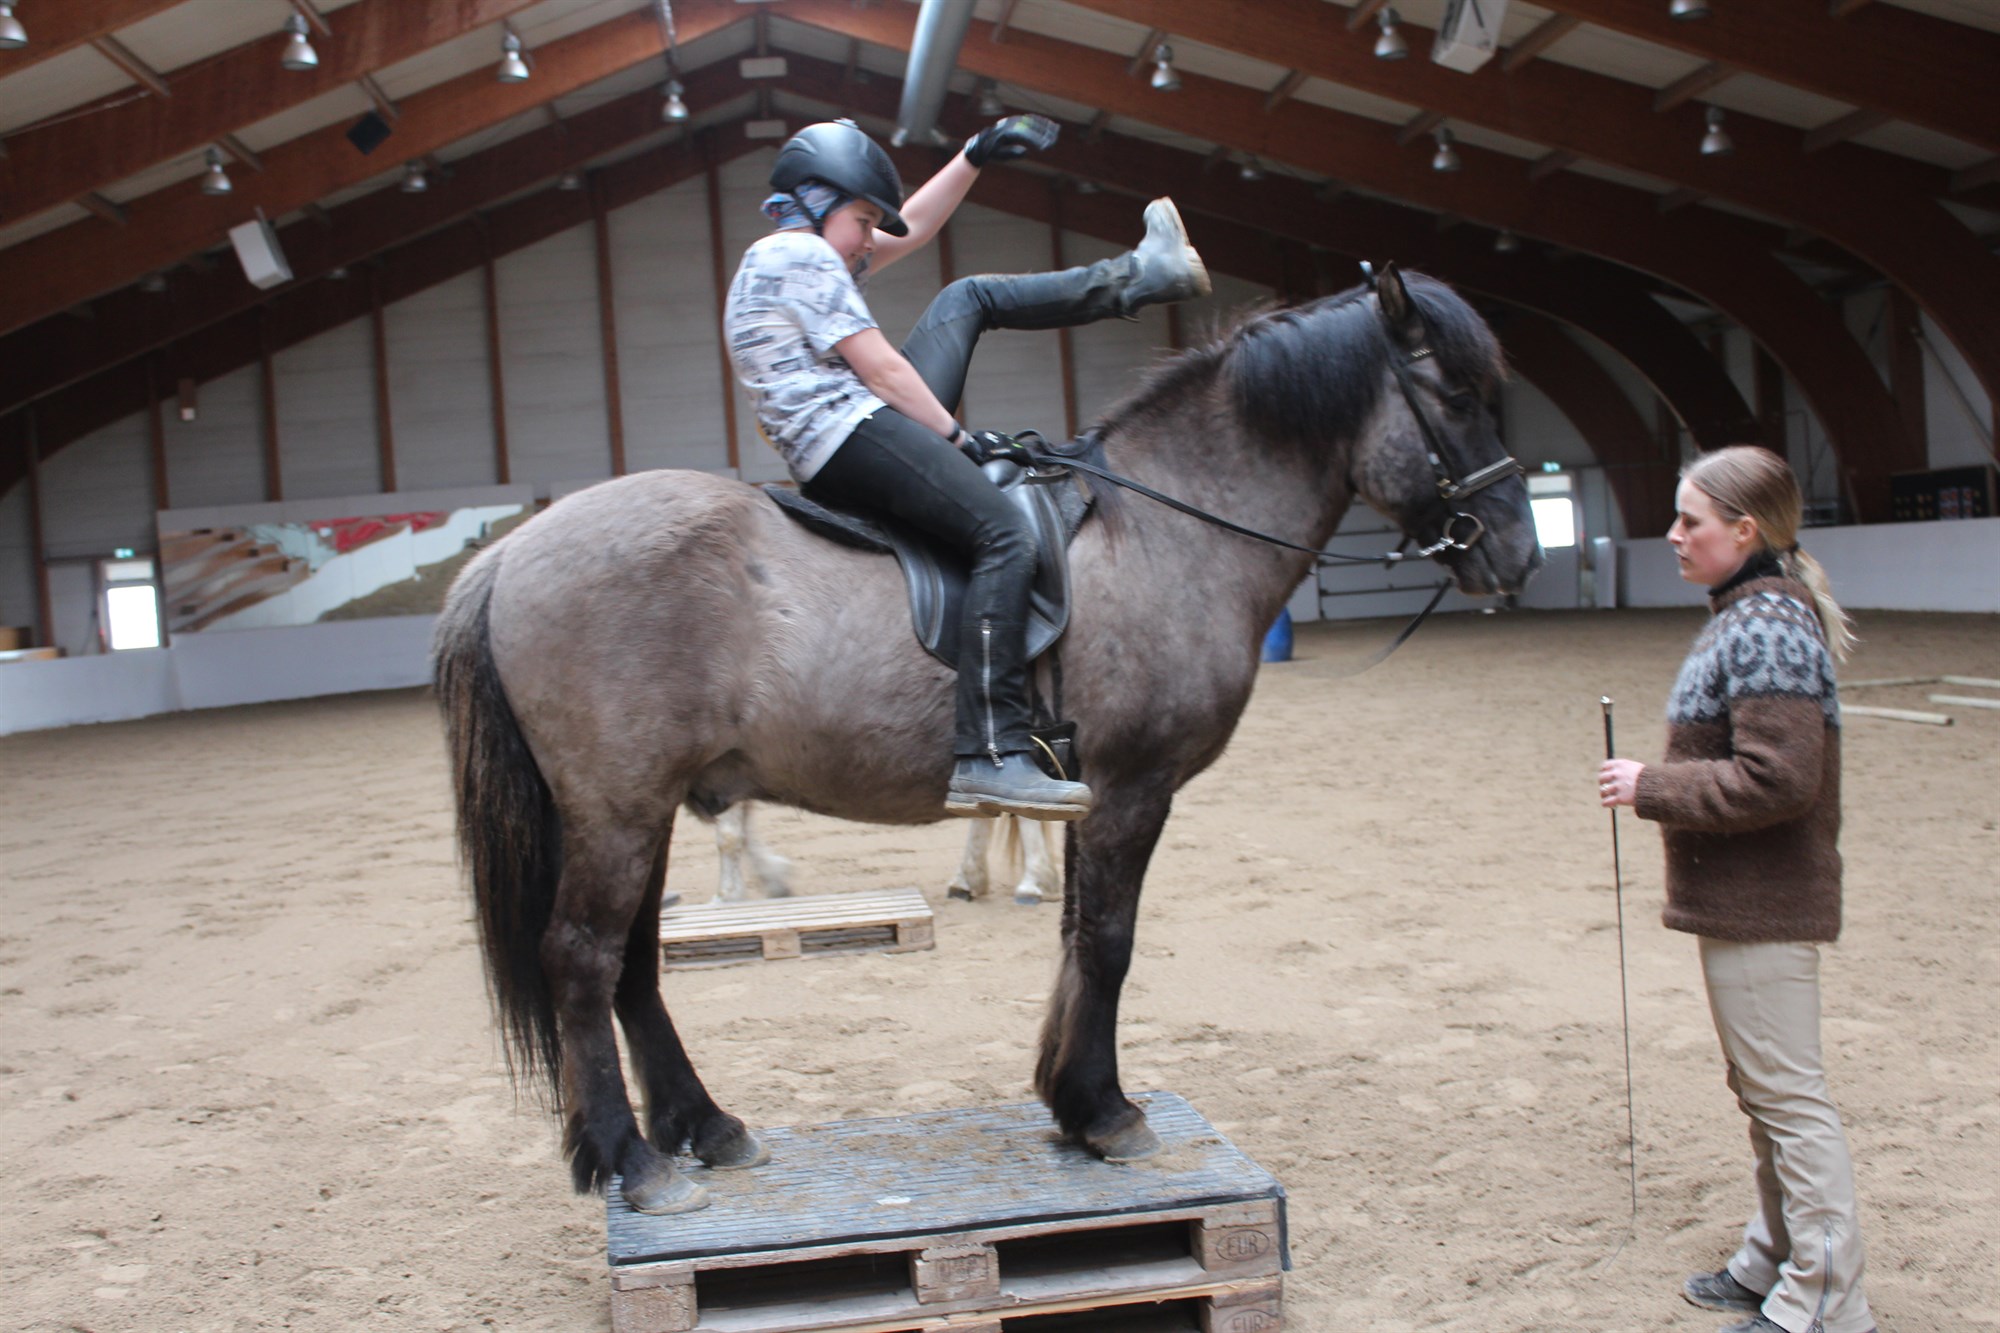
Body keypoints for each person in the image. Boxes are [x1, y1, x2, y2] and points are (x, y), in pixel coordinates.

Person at [722, 117, 1210, 821]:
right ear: (816, 202)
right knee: (1004, 535)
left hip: (852, 426)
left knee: (966, 297)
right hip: (847, 435)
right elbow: (882, 371)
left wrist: (972, 156)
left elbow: (913, 229)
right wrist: (956, 437)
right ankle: (989, 752)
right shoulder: (797, 255)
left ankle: (1145, 275)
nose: (870, 239)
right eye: (863, 221)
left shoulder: (801, 252)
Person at [1597, 445, 1874, 1333]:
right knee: (1765, 1092)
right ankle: (1776, 1257)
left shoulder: (1765, 625)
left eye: (1692, 521)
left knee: (1788, 1097)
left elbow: (1781, 777)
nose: (1674, 535)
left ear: (1745, 530)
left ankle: (1827, 1298)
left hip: (1766, 903)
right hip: (1745, 900)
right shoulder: (1747, 617)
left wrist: (1652, 786)